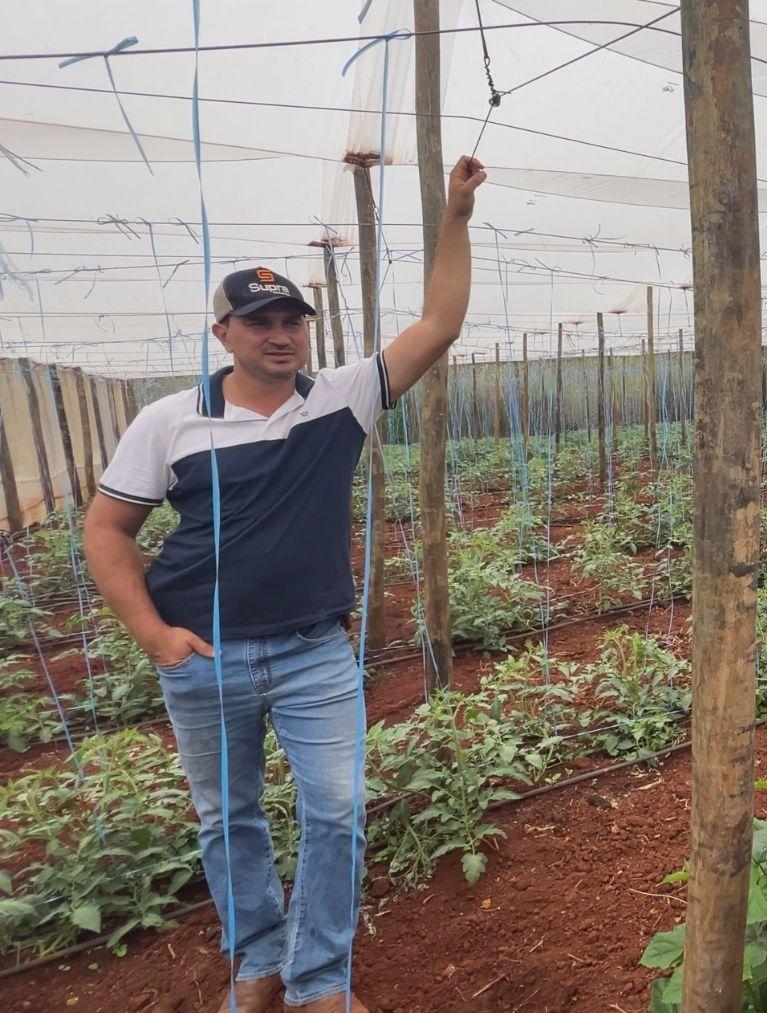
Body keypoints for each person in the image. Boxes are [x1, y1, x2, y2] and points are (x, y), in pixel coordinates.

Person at [83, 155, 487, 1012]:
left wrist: (454, 215)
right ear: (223, 333)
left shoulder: (341, 399)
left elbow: (439, 322)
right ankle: (259, 963)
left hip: (314, 652)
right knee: (229, 821)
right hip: (205, 656)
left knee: (337, 812)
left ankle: (317, 982)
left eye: (291, 320)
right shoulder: (170, 419)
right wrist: (155, 637)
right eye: (259, 320)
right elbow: (106, 529)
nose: (280, 333)